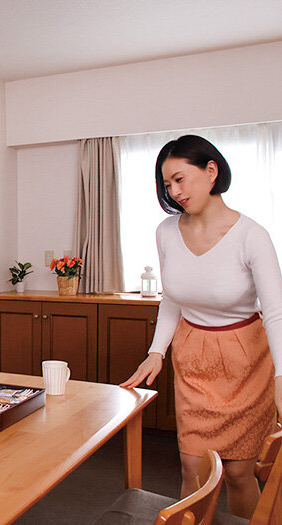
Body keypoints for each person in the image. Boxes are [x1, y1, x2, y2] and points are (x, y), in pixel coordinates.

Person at [121, 135, 282, 519]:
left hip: (246, 361)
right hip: (194, 356)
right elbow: (173, 299)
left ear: (211, 171)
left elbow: (276, 313)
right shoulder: (166, 232)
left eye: (180, 179)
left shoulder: (252, 235)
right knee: (192, 468)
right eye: (167, 185)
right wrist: (156, 352)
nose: (174, 192)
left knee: (240, 473)